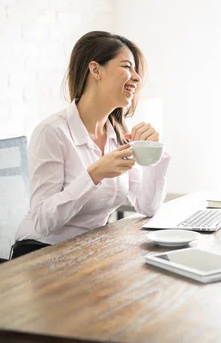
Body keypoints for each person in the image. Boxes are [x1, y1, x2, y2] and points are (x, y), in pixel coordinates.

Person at [13, 31, 170, 258]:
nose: (136, 78)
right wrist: (94, 174)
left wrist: (155, 154)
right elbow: (42, 221)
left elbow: (148, 207)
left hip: (88, 251)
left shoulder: (117, 133)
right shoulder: (52, 132)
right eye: (127, 66)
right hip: (40, 253)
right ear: (96, 70)